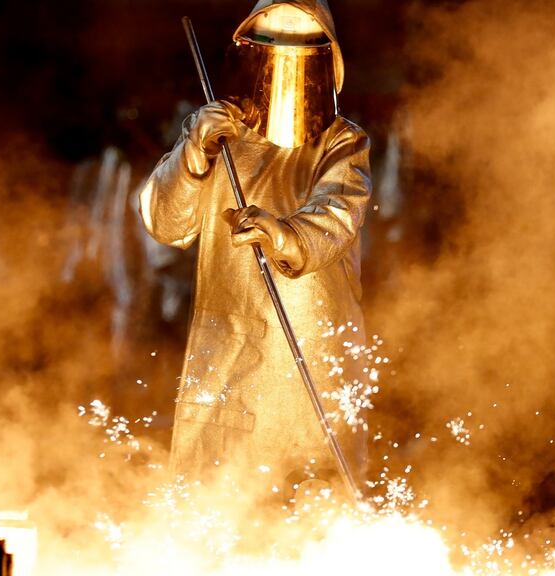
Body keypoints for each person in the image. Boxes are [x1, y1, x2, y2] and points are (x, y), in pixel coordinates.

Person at [139, 0, 371, 496]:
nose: (285, 54)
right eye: (273, 40)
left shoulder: (341, 142)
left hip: (309, 350)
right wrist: (193, 153)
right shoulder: (218, 133)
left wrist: (281, 233)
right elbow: (165, 223)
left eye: (301, 42)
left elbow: (337, 214)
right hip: (229, 351)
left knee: (310, 502)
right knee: (216, 500)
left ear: (326, 58)